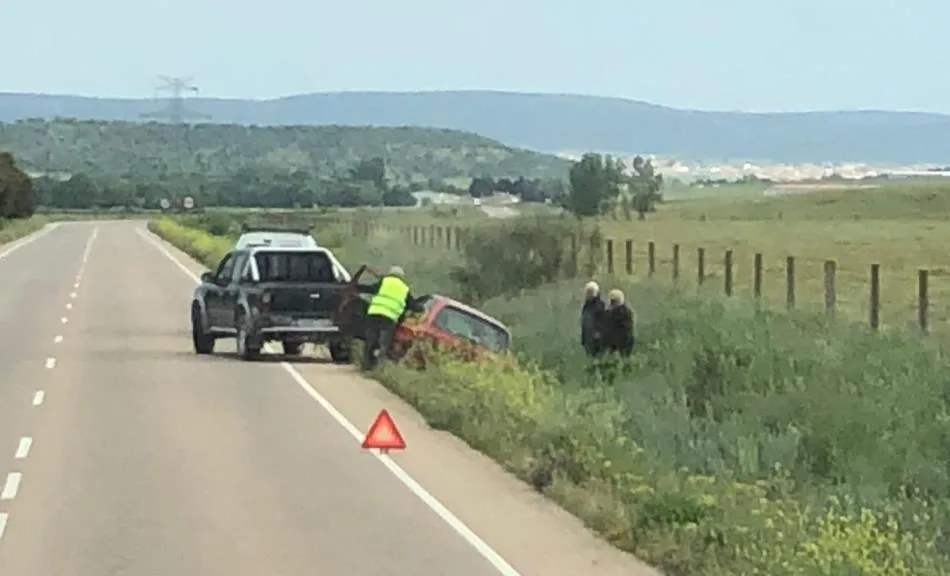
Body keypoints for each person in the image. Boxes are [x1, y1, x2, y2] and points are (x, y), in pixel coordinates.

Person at [357, 265, 420, 370]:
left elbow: (371, 289)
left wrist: (358, 288)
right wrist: (420, 308)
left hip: (374, 314)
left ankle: (366, 364)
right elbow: (412, 305)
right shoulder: (404, 288)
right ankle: (379, 367)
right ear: (401, 277)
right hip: (389, 318)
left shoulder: (384, 281)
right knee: (384, 343)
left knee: (371, 339)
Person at [602, 288, 635, 356]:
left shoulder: (625, 313)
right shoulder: (609, 312)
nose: (612, 303)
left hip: (623, 344)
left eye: (613, 301)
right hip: (612, 345)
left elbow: (626, 331)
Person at [580, 281, 606, 357]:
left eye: (590, 292)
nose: (587, 294)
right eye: (587, 292)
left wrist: (598, 333)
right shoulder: (586, 306)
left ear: (595, 293)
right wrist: (583, 339)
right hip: (588, 339)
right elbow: (584, 322)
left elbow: (603, 321)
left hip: (597, 340)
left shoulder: (600, 305)